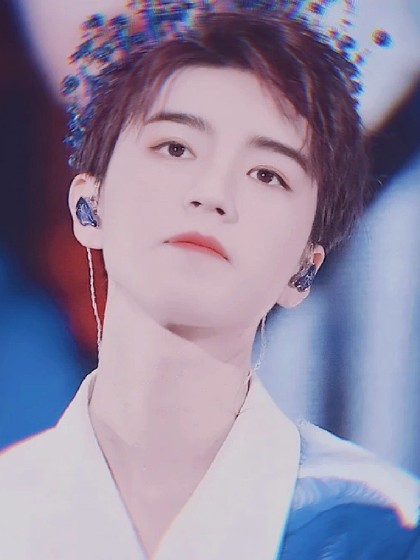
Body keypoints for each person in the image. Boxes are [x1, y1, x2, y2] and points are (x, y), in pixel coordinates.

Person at [0, 2, 419, 559]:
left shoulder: (388, 524)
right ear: (89, 205)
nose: (213, 193)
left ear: (305, 267)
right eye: (175, 148)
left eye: (266, 174)